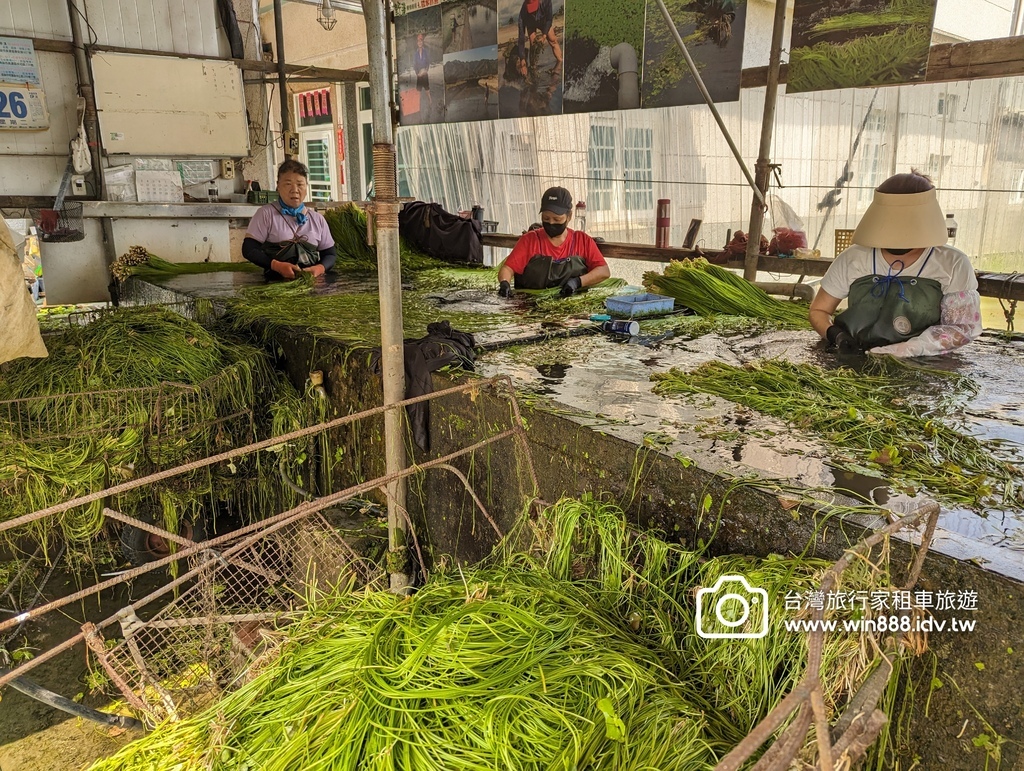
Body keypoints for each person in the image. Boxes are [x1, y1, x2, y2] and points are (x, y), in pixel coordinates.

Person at [809, 171, 981, 357]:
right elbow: (819, 310)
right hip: (856, 355)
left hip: (924, 364)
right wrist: (837, 335)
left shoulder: (952, 263)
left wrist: (910, 349)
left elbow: (962, 328)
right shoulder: (854, 258)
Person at [498, 187, 610, 297]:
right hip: (531, 309)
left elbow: (603, 271)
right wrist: (504, 283)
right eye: (546, 218)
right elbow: (508, 268)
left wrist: (578, 282)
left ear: (569, 216)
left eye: (557, 219)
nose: (551, 223)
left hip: (571, 310)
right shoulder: (529, 240)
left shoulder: (582, 240)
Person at [242, 160, 336, 280]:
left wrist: (319, 269)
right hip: (274, 283)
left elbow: (330, 254)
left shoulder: (317, 219)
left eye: (300, 184)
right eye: (288, 184)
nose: (294, 190)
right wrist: (277, 266)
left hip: (311, 283)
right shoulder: (266, 214)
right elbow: (249, 249)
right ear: (278, 186)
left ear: (306, 187)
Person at [517, 0, 562, 78]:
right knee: (533, 43)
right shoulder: (523, 12)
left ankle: (560, 61)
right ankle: (532, 68)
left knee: (553, 39)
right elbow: (521, 38)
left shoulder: (546, 2)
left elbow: (549, 20)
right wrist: (522, 60)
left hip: (544, 21)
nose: (533, 12)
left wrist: (544, 35)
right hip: (530, 23)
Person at [414, 33, 432, 111]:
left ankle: (430, 102)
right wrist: (417, 73)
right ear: (417, 43)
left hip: (424, 74)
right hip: (419, 75)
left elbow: (428, 62)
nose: (420, 43)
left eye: (421, 41)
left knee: (427, 90)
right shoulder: (415, 54)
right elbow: (414, 65)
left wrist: (426, 70)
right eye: (418, 41)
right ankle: (418, 106)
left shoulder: (426, 52)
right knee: (418, 91)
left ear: (422, 42)